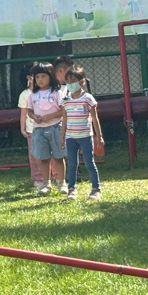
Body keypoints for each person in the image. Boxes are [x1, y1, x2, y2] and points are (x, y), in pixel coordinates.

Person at [60, 65, 103, 200]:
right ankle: (71, 189)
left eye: (73, 81)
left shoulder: (88, 98)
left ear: (82, 81)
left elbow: (94, 118)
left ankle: (96, 189)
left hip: (85, 136)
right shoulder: (65, 100)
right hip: (70, 138)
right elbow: (64, 119)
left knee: (89, 162)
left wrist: (99, 136)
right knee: (72, 164)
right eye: (68, 81)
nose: (70, 84)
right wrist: (62, 137)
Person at [26, 61, 67, 194]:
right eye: (37, 77)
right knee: (43, 159)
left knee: (58, 157)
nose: (40, 80)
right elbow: (29, 111)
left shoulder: (57, 93)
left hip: (56, 128)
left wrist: (50, 116)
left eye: (43, 76)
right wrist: (34, 117)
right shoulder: (32, 95)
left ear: (51, 76)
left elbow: (63, 111)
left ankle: (61, 183)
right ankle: (46, 184)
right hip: (39, 130)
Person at [17, 63, 50, 193]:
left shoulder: (48, 92)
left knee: (51, 154)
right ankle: (38, 179)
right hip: (33, 130)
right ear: (29, 78)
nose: (40, 79)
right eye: (37, 76)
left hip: (49, 128)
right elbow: (23, 113)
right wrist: (23, 129)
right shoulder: (25, 95)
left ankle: (54, 177)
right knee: (35, 156)